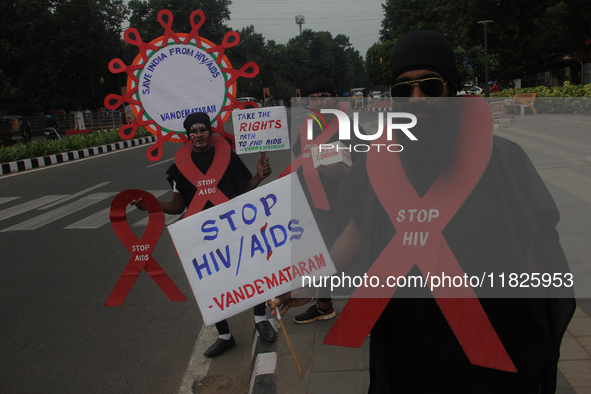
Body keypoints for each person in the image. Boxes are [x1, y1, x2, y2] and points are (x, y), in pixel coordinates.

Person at [270, 31, 575, 393]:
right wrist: (307, 282)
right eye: (403, 90)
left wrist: (532, 335)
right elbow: (355, 233)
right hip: (406, 347)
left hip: (486, 347)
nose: (416, 100)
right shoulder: (375, 164)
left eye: (430, 86)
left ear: (453, 93)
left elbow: (532, 257)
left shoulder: (503, 161)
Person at [131, 112, 275, 358]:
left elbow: (243, 190)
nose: (199, 135)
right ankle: (224, 335)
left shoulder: (227, 157)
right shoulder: (178, 169)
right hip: (203, 234)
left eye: (203, 130)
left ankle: (261, 319)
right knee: (211, 281)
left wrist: (259, 177)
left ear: (211, 132)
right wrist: (152, 203)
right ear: (187, 136)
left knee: (251, 269)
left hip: (235, 226)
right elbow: (178, 206)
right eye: (194, 132)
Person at [287, 76, 365, 324]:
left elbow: (370, 162)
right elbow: (300, 161)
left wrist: (347, 174)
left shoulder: (350, 126)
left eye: (325, 95)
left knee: (353, 256)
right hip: (315, 206)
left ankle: (363, 311)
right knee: (320, 256)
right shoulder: (304, 128)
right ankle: (324, 306)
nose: (320, 100)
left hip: (346, 205)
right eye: (314, 97)